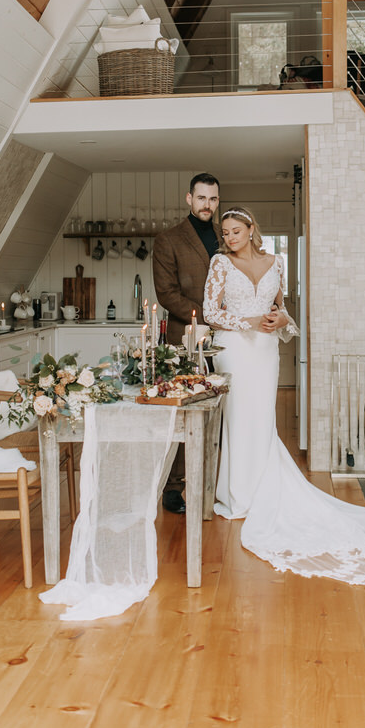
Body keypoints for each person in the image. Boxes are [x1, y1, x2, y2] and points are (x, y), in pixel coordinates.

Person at [203, 206, 365, 589]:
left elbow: (284, 312)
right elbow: (211, 312)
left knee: (261, 418)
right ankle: (238, 496)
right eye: (224, 233)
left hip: (265, 351)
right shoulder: (220, 265)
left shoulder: (275, 262)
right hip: (235, 349)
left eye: (235, 231)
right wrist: (246, 321)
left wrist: (281, 321)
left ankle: (262, 491)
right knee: (239, 419)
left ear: (250, 229)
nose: (230, 237)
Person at [153, 172, 220, 513]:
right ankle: (174, 487)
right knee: (185, 410)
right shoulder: (169, 239)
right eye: (202, 198)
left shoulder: (229, 234)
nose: (207, 204)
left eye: (213, 199)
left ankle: (218, 480)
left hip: (230, 338)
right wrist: (209, 318)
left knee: (223, 408)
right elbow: (167, 294)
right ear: (189, 199)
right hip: (186, 338)